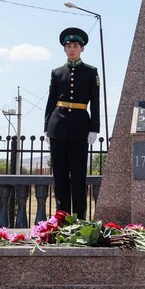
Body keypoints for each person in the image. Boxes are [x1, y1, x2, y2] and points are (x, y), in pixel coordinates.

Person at [43, 27, 100, 219]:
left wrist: (94, 128)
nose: (72, 49)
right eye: (68, 46)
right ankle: (62, 218)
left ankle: (80, 218)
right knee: (60, 177)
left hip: (79, 128)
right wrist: (46, 128)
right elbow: (51, 101)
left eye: (75, 46)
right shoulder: (57, 72)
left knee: (78, 176)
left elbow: (96, 102)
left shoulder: (91, 72)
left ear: (82, 49)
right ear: (64, 49)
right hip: (57, 127)